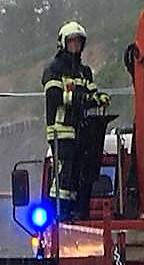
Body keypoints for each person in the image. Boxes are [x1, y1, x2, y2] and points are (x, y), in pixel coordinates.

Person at [42, 20, 110, 220]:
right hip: (61, 131)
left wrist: (99, 98)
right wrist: (80, 99)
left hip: (81, 131)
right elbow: (54, 96)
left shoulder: (84, 71)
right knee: (64, 173)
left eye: (79, 42)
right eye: (71, 41)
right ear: (63, 43)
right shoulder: (54, 68)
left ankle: (74, 211)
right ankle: (60, 213)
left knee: (78, 173)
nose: (75, 45)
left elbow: (92, 93)